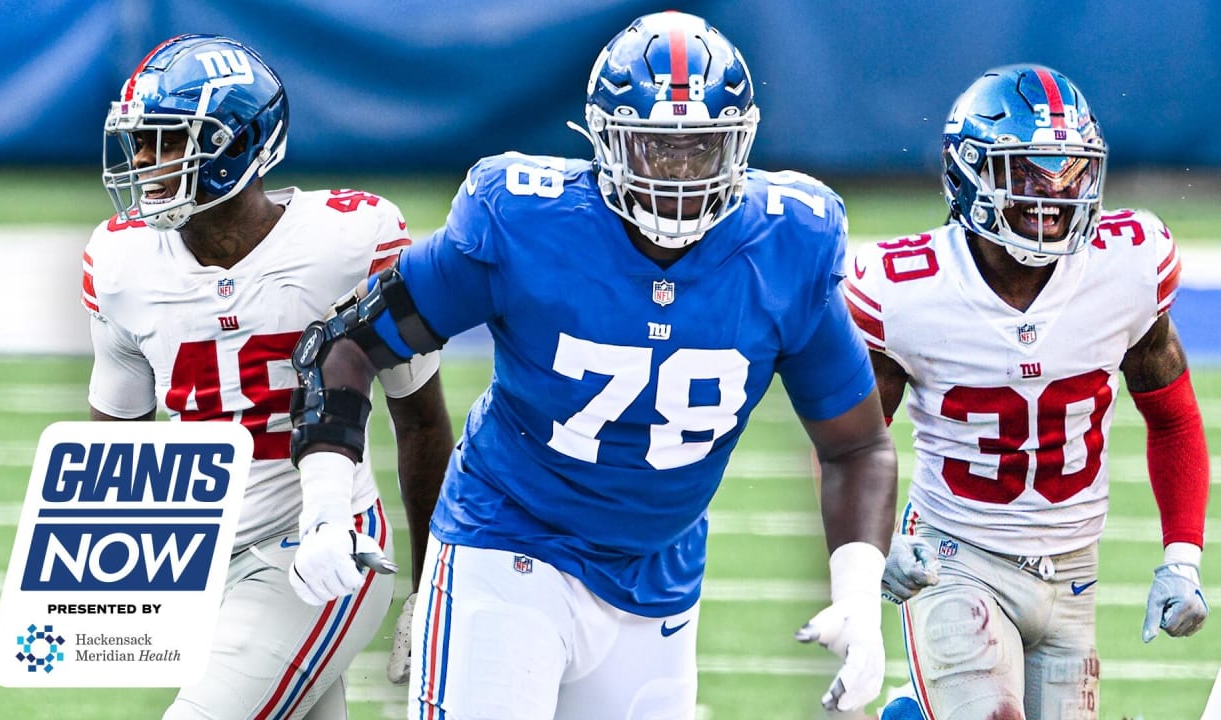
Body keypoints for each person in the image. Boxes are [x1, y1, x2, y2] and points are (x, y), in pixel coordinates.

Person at [287, 11, 898, 718]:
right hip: (507, 538)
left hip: (660, 573)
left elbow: (856, 443)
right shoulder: (524, 221)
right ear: (605, 141)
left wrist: (857, 594)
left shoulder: (788, 242)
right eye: (653, 149)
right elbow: (350, 344)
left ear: (741, 144)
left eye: (700, 149)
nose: (677, 173)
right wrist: (327, 507)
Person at [83, 34, 454, 719]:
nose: (141, 160)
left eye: (165, 140)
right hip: (205, 562)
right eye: (139, 140)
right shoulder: (119, 263)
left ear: (237, 145)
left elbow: (420, 420)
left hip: (319, 549)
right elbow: (118, 447)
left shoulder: (350, 243)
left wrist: (429, 592)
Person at [845, 65, 1211, 720]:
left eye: (1069, 172)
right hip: (955, 557)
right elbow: (851, 443)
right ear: (970, 174)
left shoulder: (1126, 268)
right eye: (1026, 172)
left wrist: (1182, 558)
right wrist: (872, 540)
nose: (1051, 196)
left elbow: (1174, 419)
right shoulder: (907, 291)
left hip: (1074, 567)